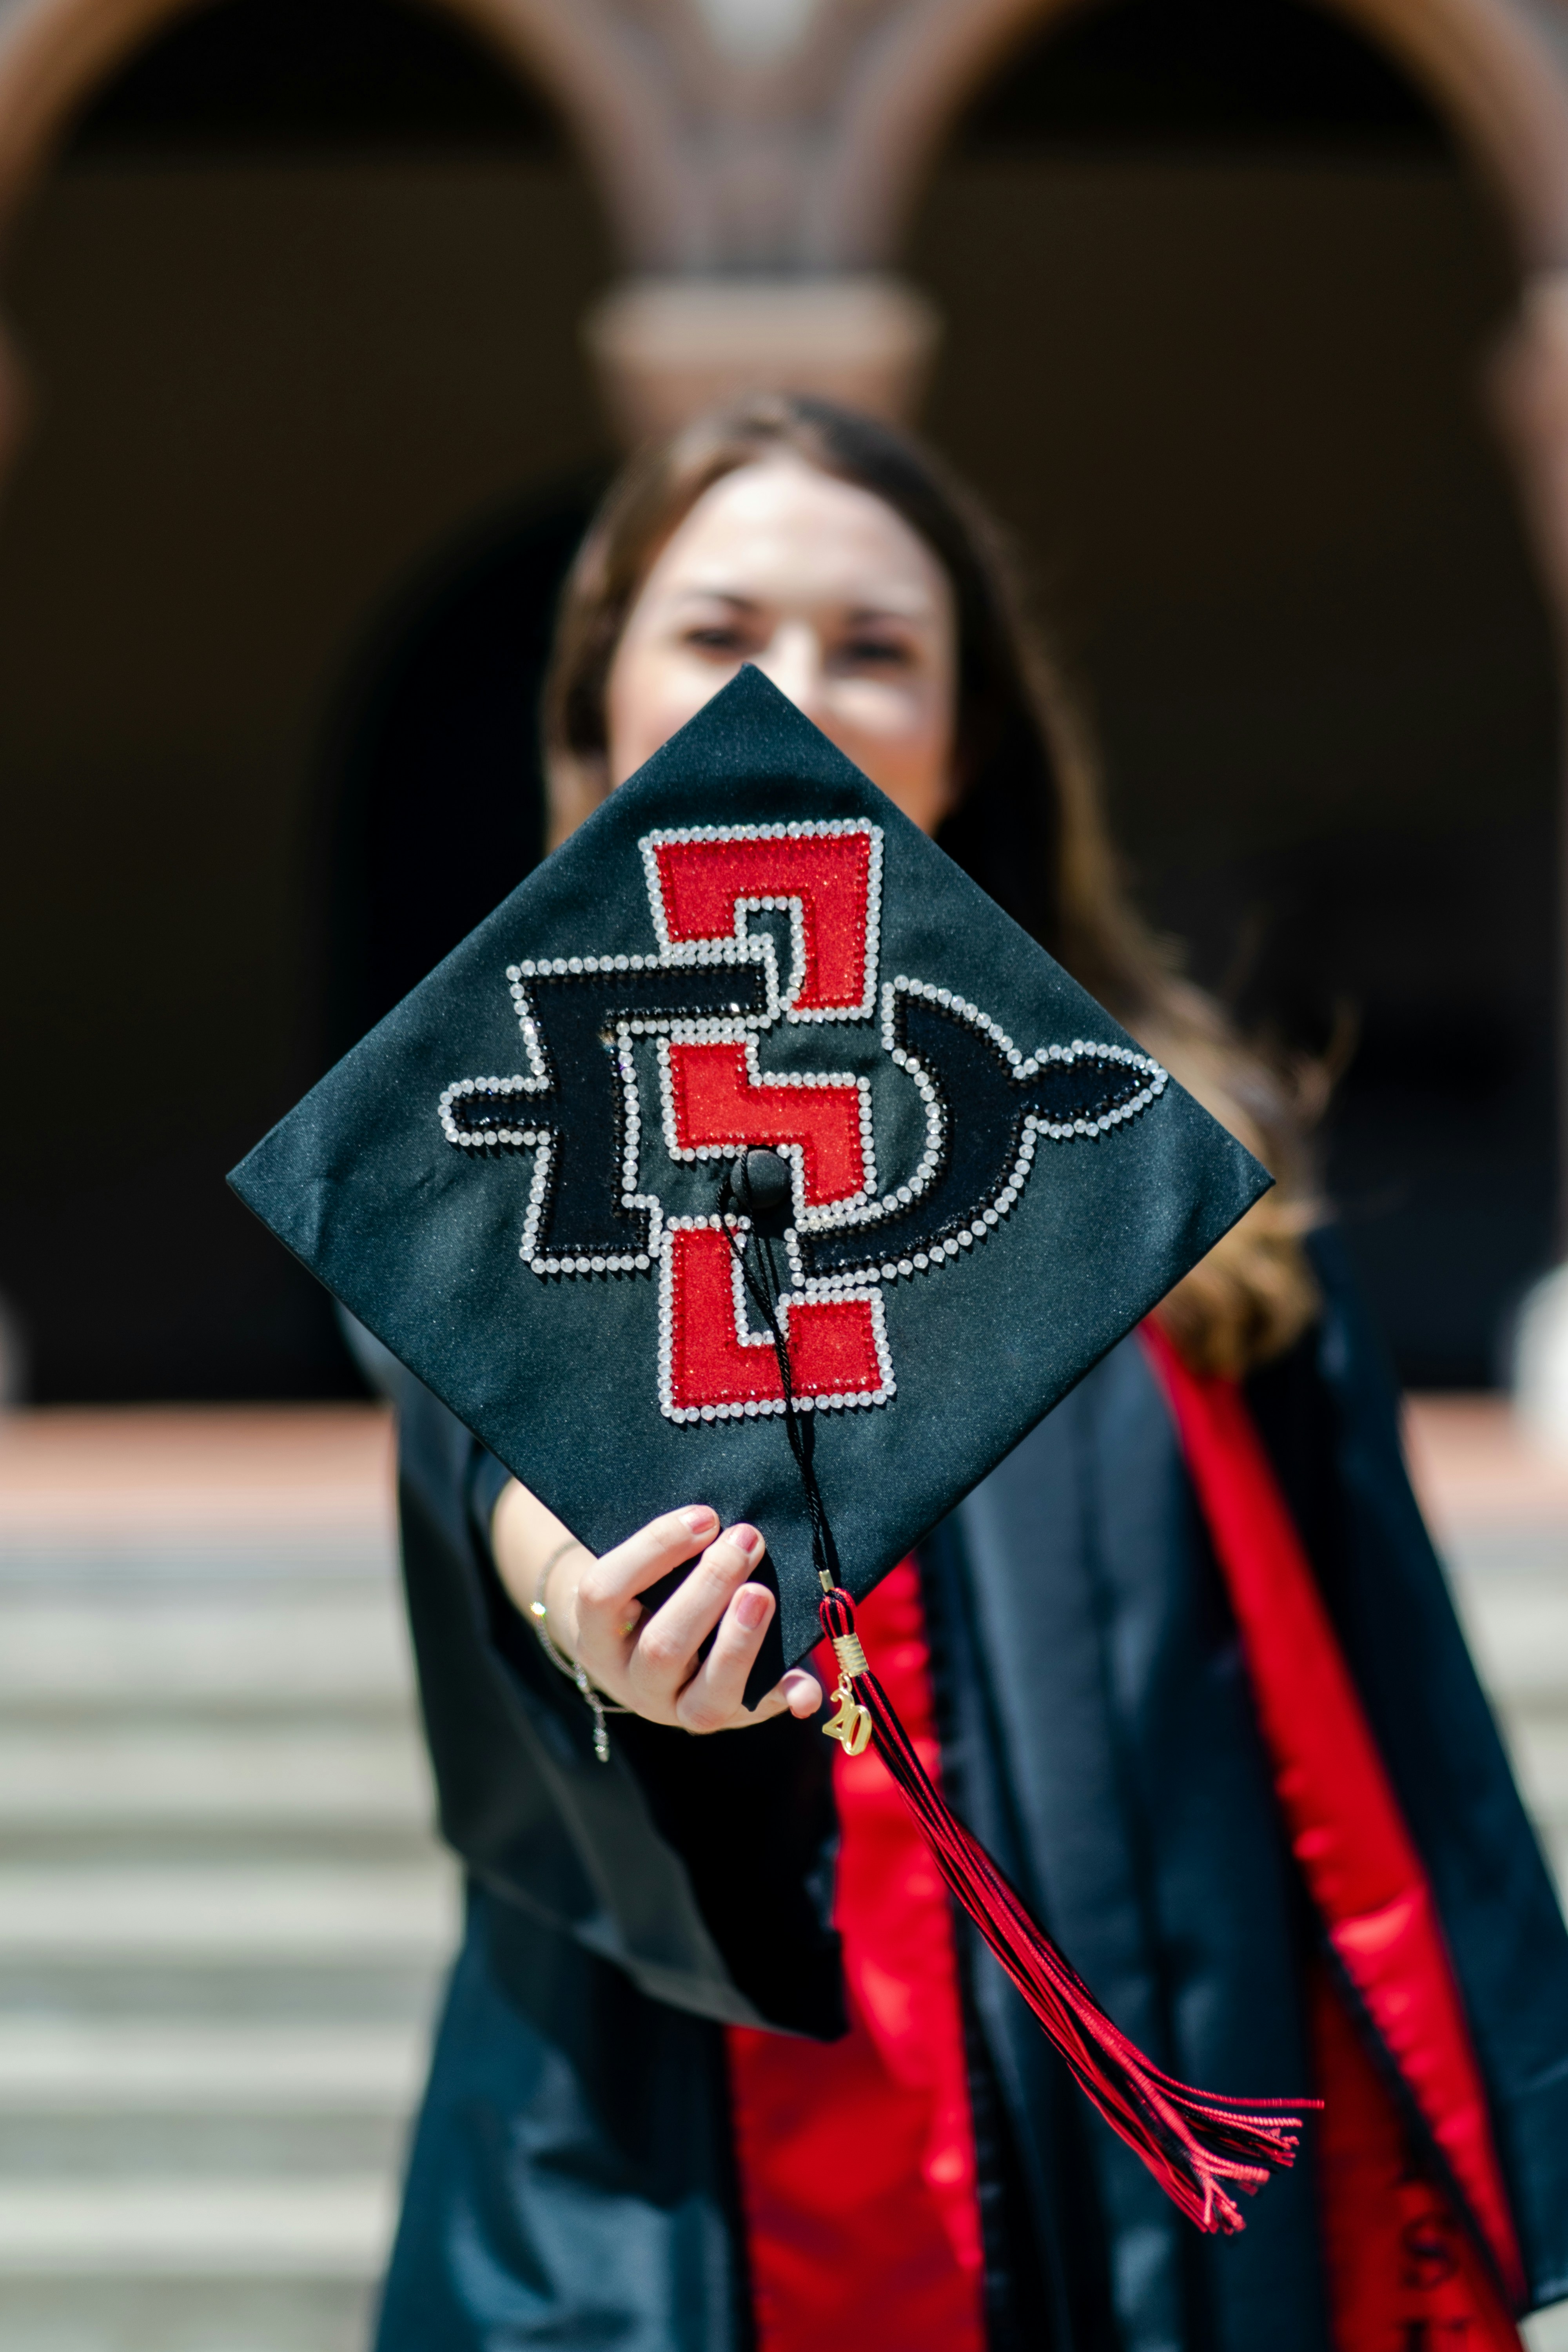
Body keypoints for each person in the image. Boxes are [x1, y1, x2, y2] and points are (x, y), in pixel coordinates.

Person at [373, 396, 1568, 2352]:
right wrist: (599, 1619)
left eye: (879, 646)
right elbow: (491, 1468)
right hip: (684, 2186)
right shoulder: (501, 1134)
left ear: (970, 735)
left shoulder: (1157, 1174)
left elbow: (1388, 1711)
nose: (793, 690)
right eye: (718, 628)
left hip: (1152, 2141)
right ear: (596, 709)